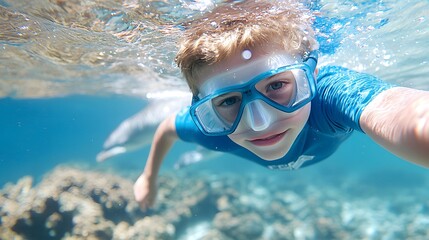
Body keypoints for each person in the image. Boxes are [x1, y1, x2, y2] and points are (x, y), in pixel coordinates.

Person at [133, 0, 429, 210]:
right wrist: (149, 178)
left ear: (311, 76)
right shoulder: (212, 129)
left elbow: (402, 113)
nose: (259, 122)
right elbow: (167, 128)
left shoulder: (328, 98)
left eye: (276, 85)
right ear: (207, 109)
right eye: (228, 100)